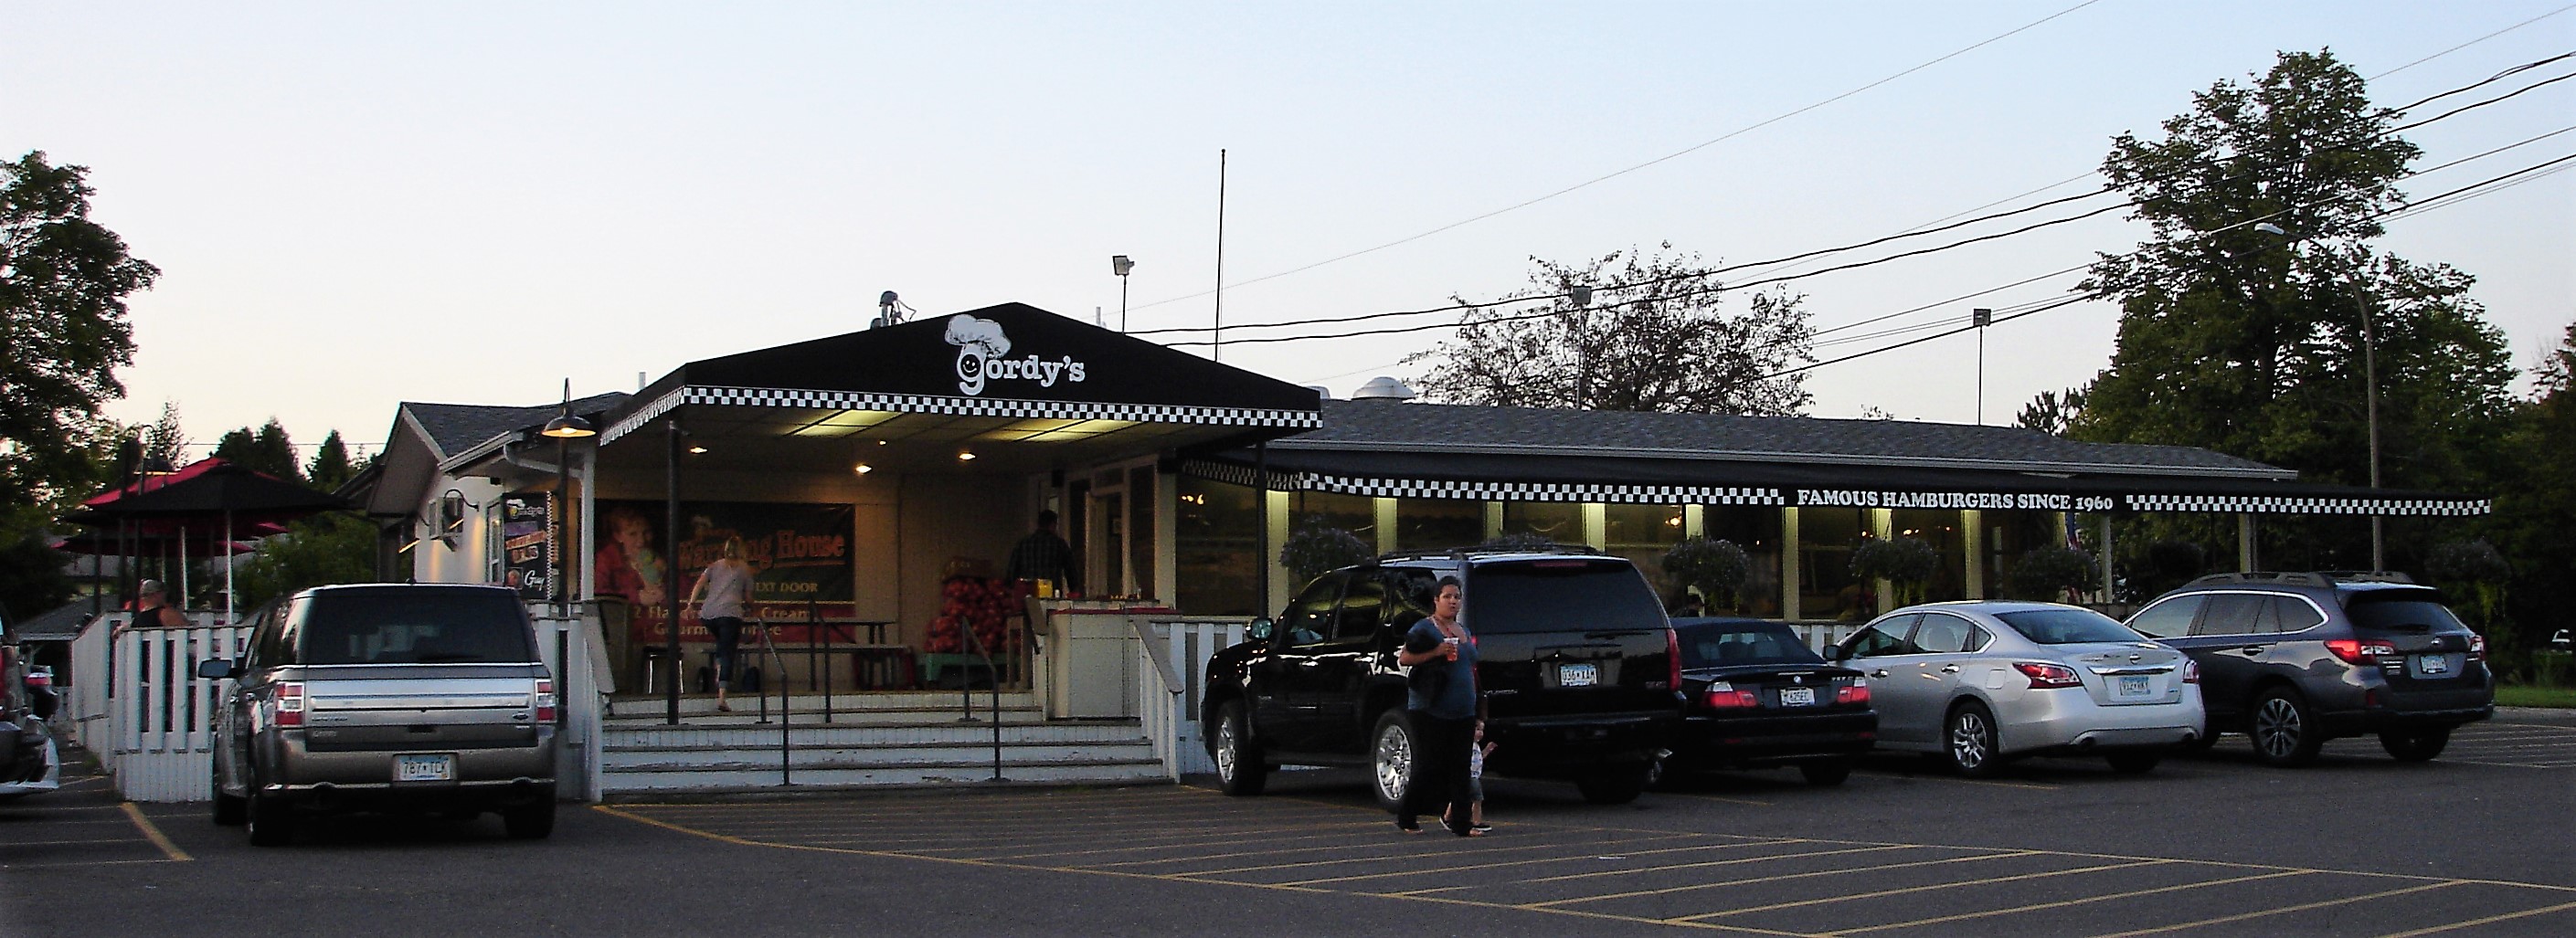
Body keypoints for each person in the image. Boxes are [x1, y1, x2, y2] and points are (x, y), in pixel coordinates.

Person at [1394, 575, 1480, 837]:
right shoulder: (1424, 628)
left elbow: (1471, 666)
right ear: (1436, 600)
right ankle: (1407, 815)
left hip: (1463, 710)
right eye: (1447, 597)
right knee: (1430, 765)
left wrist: (1480, 708)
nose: (1453, 601)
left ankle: (1462, 824)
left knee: (1461, 767)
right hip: (1430, 709)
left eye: (1457, 597)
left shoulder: (1463, 631)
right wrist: (1436, 652)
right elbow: (1404, 658)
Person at [684, 536, 756, 711]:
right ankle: (722, 697)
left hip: (708, 615)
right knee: (727, 653)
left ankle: (718, 670)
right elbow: (748, 597)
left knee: (722, 644)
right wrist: (751, 608)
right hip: (730, 614)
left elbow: (699, 583)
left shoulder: (714, 566)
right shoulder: (745, 569)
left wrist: (691, 604)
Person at [1004, 509, 1076, 595]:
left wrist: (1010, 589)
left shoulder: (1023, 543)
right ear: (1053, 524)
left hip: (1028, 593)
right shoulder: (1059, 544)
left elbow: (1012, 570)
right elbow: (1070, 570)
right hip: (1051, 593)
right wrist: (1073, 590)